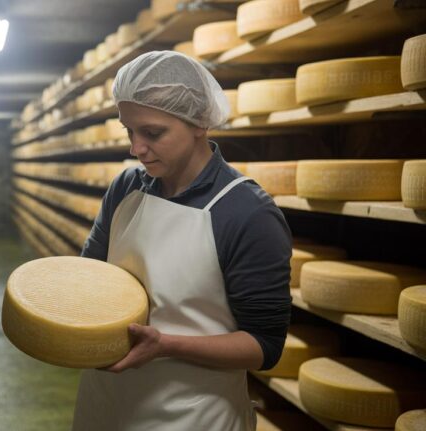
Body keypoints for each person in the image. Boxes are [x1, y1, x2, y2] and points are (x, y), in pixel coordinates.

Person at [72, 51, 292, 430]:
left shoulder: (246, 212)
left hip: (193, 414)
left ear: (199, 123)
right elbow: (93, 273)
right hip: (105, 402)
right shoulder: (126, 188)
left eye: (153, 133)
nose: (136, 148)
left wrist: (166, 345)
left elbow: (264, 345)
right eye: (129, 131)